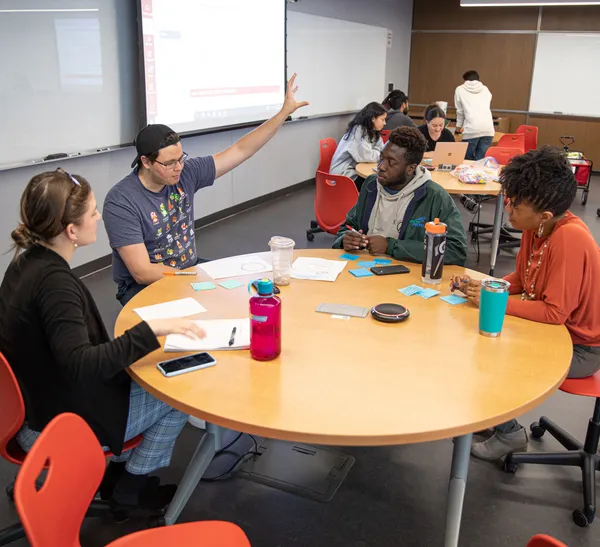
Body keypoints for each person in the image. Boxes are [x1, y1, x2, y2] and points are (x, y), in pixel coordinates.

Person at [0, 169, 208, 511]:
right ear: (71, 230)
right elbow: (83, 364)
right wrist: (151, 330)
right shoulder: (55, 285)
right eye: (94, 212)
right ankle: (131, 489)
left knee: (150, 369)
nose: (99, 218)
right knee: (180, 391)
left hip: (34, 407)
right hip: (59, 422)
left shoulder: (24, 263)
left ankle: (116, 478)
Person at [104, 74, 308, 306]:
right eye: (169, 163)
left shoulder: (185, 173)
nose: (178, 168)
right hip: (143, 285)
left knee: (241, 294)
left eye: (181, 159)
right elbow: (142, 272)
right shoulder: (121, 201)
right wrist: (195, 278)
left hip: (189, 268)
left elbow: (241, 150)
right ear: (146, 162)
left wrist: (283, 113)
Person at [450, 147, 600, 461]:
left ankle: (509, 434)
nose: (508, 206)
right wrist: (489, 286)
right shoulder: (537, 227)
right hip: (556, 330)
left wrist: (493, 300)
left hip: (580, 347)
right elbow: (522, 277)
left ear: (544, 214)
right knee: (477, 338)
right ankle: (493, 418)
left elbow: (555, 312)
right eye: (510, 196)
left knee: (495, 356)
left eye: (516, 204)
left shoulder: (569, 239)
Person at [332, 126, 467, 265]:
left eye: (391, 162)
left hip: (408, 275)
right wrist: (345, 239)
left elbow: (456, 251)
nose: (381, 166)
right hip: (364, 267)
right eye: (381, 158)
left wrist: (391, 246)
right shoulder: (371, 185)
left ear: (410, 168)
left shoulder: (435, 197)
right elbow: (348, 227)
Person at [329, 102, 386, 189]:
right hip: (343, 174)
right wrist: (377, 153)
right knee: (374, 185)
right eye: (382, 119)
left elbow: (383, 150)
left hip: (354, 170)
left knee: (377, 182)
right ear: (373, 118)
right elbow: (366, 156)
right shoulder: (359, 130)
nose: (384, 123)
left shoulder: (373, 131)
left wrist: (376, 152)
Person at [454, 70, 494, 161]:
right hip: (488, 130)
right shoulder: (485, 89)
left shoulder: (460, 89)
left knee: (467, 161)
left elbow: (460, 112)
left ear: (465, 80)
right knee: (480, 161)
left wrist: (457, 131)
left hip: (471, 130)